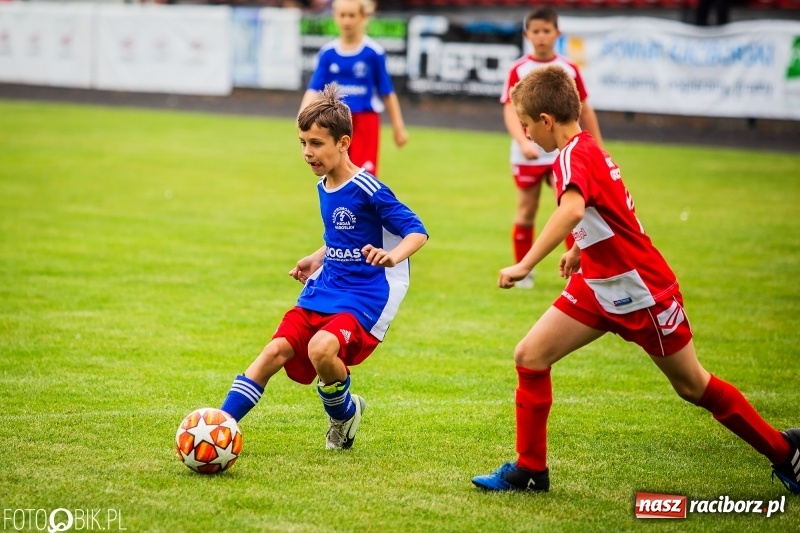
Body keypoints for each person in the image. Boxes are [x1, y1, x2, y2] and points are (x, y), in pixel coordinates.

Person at [471, 65, 799, 494]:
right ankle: (531, 469)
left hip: (642, 292)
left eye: (528, 126)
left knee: (692, 385)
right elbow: (606, 210)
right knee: (530, 355)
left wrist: (524, 264)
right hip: (598, 283)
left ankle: (785, 452)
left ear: (547, 121)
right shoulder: (585, 149)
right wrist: (578, 249)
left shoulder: (574, 154)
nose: (528, 135)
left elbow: (571, 210)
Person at [220, 83, 427, 450]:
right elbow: (339, 236)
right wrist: (316, 258)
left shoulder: (369, 188)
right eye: (302, 142)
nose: (307, 152)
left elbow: (417, 231)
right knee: (273, 352)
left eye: (316, 143)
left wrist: (393, 256)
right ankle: (219, 425)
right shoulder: (323, 185)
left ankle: (341, 415)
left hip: (364, 294)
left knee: (320, 349)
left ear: (343, 143)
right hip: (325, 286)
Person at [501, 7, 602, 289]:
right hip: (529, 151)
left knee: (570, 207)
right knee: (526, 209)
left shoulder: (568, 69)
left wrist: (599, 148)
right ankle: (524, 275)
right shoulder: (518, 69)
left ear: (557, 34)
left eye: (547, 31)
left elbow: (585, 109)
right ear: (527, 34)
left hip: (565, 151)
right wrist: (523, 142)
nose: (542, 37)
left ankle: (576, 271)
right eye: (536, 31)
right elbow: (510, 110)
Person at [298, 0, 407, 177]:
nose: (346, 21)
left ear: (363, 17)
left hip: (365, 122)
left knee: (364, 175)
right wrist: (302, 114)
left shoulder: (373, 52)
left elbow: (387, 92)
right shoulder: (328, 53)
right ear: (335, 16)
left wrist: (398, 126)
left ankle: (365, 206)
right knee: (335, 174)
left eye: (351, 15)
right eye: (342, 15)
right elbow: (314, 88)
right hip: (334, 121)